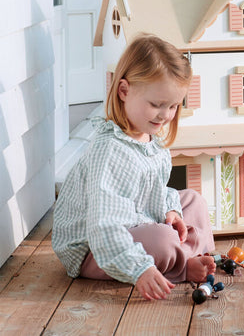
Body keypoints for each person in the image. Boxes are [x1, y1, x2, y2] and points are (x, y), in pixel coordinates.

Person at [52, 34, 216, 301]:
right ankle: (182, 265)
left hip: (137, 220)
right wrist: (138, 269)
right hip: (94, 248)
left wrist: (171, 210)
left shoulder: (153, 140)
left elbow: (154, 190)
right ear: (124, 91)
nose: (164, 115)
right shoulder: (111, 151)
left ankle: (184, 257)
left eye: (173, 105)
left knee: (193, 202)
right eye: (155, 104)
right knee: (163, 240)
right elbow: (104, 226)